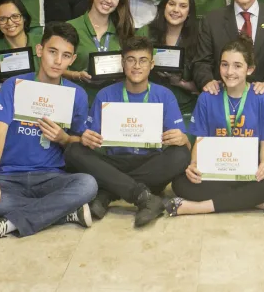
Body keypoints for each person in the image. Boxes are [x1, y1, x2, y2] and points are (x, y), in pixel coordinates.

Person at [0, 21, 97, 246]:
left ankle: (8, 224)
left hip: (51, 177)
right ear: (40, 50)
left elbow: (77, 139)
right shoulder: (14, 85)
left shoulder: (76, 94)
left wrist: (64, 138)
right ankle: (62, 212)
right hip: (10, 177)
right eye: (52, 52)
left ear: (73, 60)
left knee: (88, 184)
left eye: (66, 56)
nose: (58, 61)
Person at [64, 36, 191, 227]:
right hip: (115, 162)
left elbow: (185, 144)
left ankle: (109, 191)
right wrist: (86, 138)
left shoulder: (164, 95)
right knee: (74, 150)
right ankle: (144, 197)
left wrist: (181, 138)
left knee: (181, 154)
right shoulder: (105, 95)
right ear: (123, 64)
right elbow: (89, 138)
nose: (136, 66)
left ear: (152, 64)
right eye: (131, 60)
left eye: (143, 60)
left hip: (150, 164)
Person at [164, 37, 264, 216]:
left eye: (237, 66)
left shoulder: (261, 97)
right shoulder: (208, 96)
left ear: (250, 69)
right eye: (224, 65)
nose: (229, 72)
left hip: (249, 172)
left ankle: (198, 207)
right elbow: (200, 140)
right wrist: (194, 165)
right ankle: (254, 202)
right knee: (180, 184)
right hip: (216, 171)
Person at [136, 0, 200, 133]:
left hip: (185, 108)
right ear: (163, 6)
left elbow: (205, 85)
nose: (176, 10)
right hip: (148, 105)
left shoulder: (199, 38)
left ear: (189, 12)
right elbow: (131, 69)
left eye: (183, 6)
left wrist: (180, 83)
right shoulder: (145, 33)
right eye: (171, 4)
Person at [65, 0, 135, 102]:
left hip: (113, 102)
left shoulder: (123, 30)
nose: (109, 0)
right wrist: (77, 75)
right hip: (78, 101)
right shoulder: (71, 27)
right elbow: (55, 67)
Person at [0, 0, 42, 102]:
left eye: (15, 16)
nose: (9, 23)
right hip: (9, 111)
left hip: (43, 104)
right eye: (2, 19)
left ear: (24, 17)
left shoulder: (42, 43)